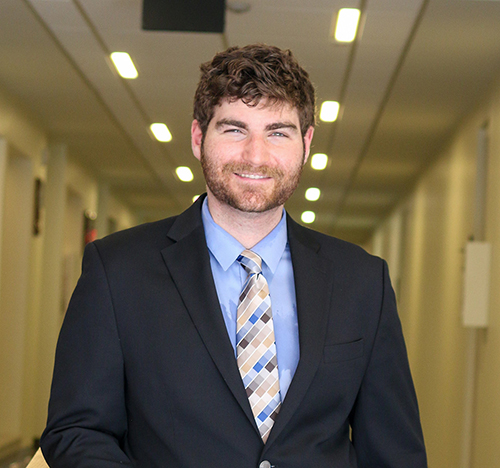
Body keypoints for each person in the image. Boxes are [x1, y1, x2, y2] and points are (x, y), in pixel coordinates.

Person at [40, 44, 427, 467]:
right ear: (197, 138)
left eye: (278, 132)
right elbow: (77, 431)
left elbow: (394, 451)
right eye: (234, 129)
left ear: (306, 142)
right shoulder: (117, 271)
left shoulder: (361, 281)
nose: (255, 156)